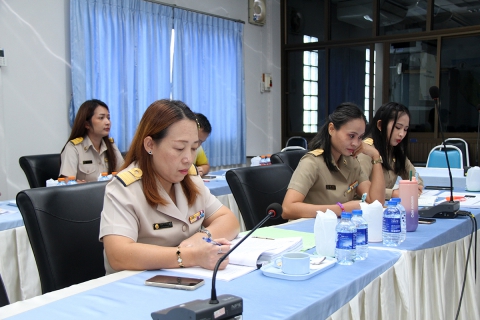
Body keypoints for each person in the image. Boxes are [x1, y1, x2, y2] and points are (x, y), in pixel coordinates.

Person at [99, 99, 240, 274]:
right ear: (150, 145)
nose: (188, 158)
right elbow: (118, 255)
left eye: (194, 148)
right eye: (179, 148)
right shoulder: (124, 188)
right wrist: (190, 256)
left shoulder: (190, 178)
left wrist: (202, 237)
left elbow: (228, 220)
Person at [282, 102, 385, 219]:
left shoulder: (351, 162)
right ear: (331, 129)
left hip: (338, 230)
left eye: (360, 137)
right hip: (308, 231)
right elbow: (288, 209)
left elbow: (376, 202)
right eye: (351, 136)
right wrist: (341, 209)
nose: (356, 143)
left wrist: (376, 156)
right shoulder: (312, 162)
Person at [357, 102, 423, 199]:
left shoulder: (395, 149)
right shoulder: (366, 151)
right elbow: (360, 188)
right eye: (398, 127)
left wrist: (416, 186)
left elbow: (414, 177)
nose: (402, 134)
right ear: (380, 125)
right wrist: (393, 193)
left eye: (405, 129)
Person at [59, 99, 124, 183]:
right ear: (87, 124)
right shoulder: (73, 148)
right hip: (84, 195)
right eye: (101, 118)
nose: (107, 122)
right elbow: (67, 182)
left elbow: (124, 172)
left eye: (108, 118)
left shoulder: (111, 145)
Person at [194, 113, 212, 177]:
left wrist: (201, 170)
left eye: (201, 142)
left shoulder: (198, 148)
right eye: (197, 140)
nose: (197, 145)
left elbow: (206, 165)